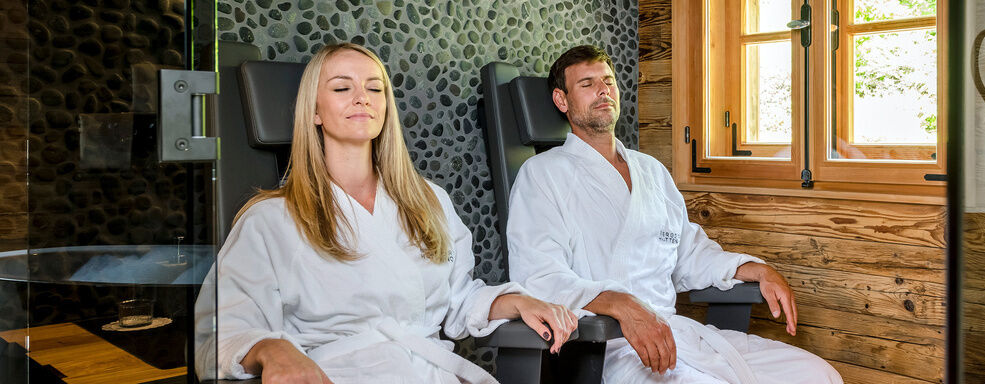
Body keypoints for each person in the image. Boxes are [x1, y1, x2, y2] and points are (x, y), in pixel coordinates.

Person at [194, 42, 577, 384]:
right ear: (314, 111)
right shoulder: (271, 219)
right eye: (343, 88)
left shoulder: (429, 201)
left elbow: (458, 300)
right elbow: (219, 331)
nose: (362, 97)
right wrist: (273, 350)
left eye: (375, 88)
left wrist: (518, 301)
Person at [506, 45, 842, 384]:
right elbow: (538, 276)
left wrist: (755, 269)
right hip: (610, 345)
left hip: (677, 333)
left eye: (608, 81)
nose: (603, 90)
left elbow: (688, 253)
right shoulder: (542, 175)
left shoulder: (650, 171)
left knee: (817, 374)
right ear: (562, 101)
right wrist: (621, 305)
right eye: (587, 84)